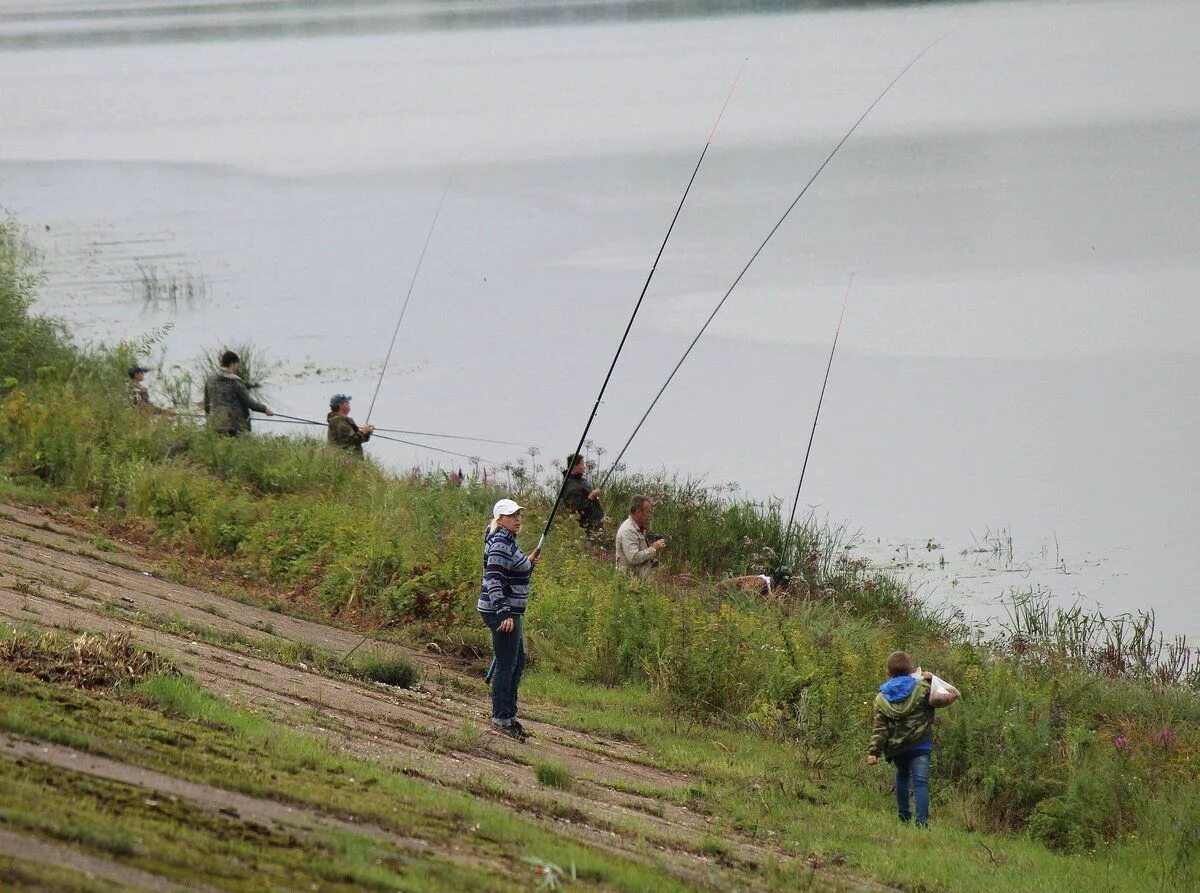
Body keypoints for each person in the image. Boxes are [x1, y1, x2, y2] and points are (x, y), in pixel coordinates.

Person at [478, 498, 540, 741]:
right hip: (501, 612)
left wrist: (528, 562)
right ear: (499, 519)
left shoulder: (508, 542)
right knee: (507, 664)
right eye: (511, 515)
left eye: (518, 515)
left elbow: (513, 570)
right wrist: (503, 612)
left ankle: (510, 715)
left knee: (518, 660)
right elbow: (493, 579)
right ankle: (501, 719)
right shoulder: (501, 544)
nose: (517, 519)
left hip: (511, 611)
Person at [866, 651, 949, 828]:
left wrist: (874, 751)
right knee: (920, 783)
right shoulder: (923, 689)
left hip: (898, 747)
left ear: (888, 672)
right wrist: (932, 679)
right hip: (921, 743)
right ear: (911, 669)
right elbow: (946, 695)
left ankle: (903, 816)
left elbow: (880, 728)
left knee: (902, 776)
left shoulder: (881, 698)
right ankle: (922, 822)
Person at [202, 350, 273, 436]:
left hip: (215, 424)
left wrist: (209, 419)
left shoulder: (210, 379)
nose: (237, 368)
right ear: (232, 364)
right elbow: (250, 403)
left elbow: (206, 404)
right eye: (237, 365)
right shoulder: (235, 381)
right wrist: (265, 409)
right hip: (235, 427)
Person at [615, 494, 665, 579]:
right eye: (647, 512)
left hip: (637, 580)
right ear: (638, 512)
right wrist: (653, 548)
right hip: (629, 581)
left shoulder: (638, 527)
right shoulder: (628, 530)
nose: (649, 515)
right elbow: (634, 558)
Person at [561, 453, 604, 537]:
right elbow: (577, 510)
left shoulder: (580, 480)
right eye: (582, 464)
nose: (584, 467)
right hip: (588, 529)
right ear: (574, 466)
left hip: (596, 524)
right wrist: (591, 496)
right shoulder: (571, 486)